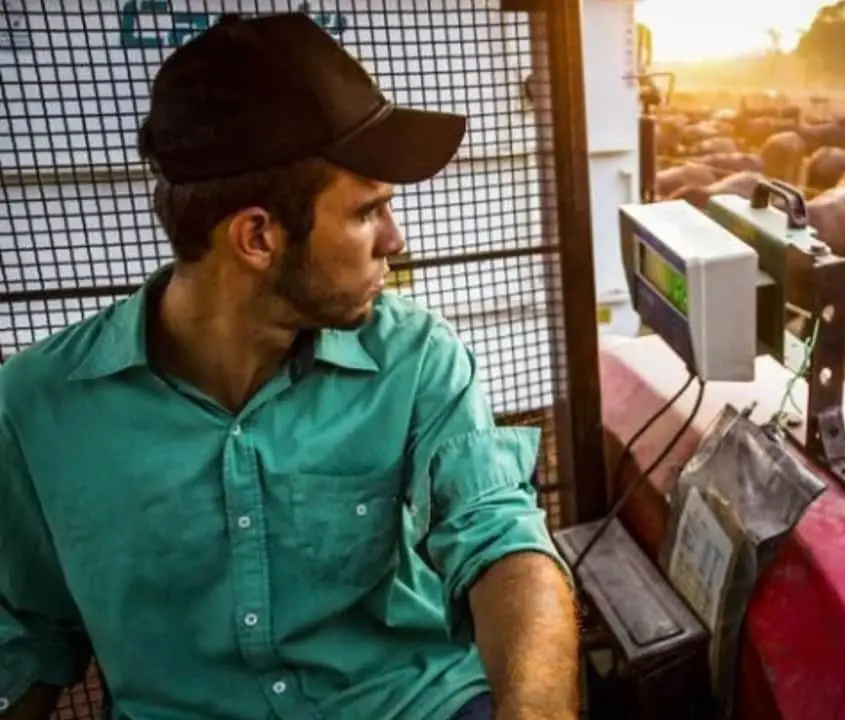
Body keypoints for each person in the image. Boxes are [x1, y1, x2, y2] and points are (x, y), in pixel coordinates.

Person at [0, 12, 578, 720]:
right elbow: (25, 632)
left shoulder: (415, 355)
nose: (395, 239)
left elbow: (500, 539)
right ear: (257, 236)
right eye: (367, 211)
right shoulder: (37, 408)